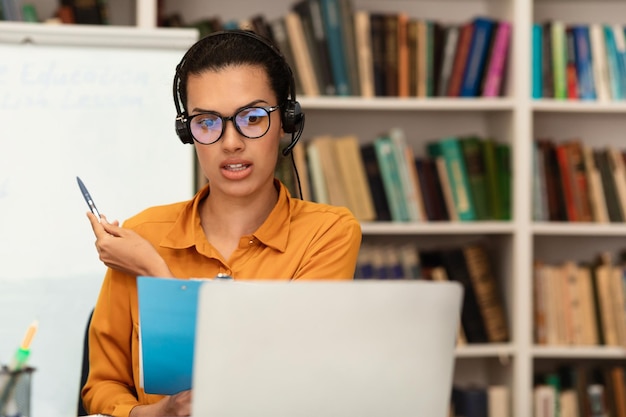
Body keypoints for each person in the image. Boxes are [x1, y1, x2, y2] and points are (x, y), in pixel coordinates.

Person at [80, 30, 362, 417]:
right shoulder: (144, 232)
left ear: (286, 122)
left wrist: (155, 273)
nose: (230, 142)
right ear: (188, 133)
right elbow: (103, 386)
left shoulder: (327, 234)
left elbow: (284, 382)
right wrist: (158, 413)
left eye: (251, 117)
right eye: (207, 122)